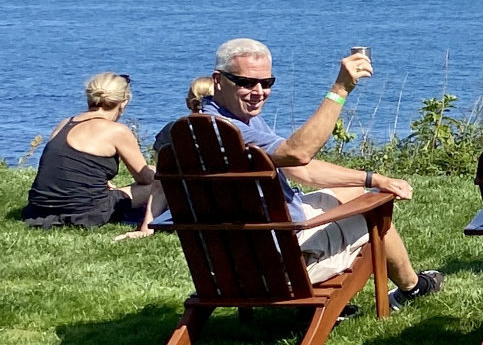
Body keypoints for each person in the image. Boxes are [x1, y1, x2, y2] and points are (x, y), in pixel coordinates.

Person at [191, 38, 442, 307]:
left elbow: (302, 169)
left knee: (355, 192)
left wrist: (373, 179)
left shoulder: (206, 126)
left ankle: (408, 284)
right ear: (218, 80)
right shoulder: (229, 132)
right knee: (374, 211)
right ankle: (412, 289)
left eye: (267, 83)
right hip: (280, 260)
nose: (258, 91)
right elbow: (298, 154)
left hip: (230, 257)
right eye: (246, 83)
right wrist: (341, 88)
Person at [22, 73, 159, 236]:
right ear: (123, 103)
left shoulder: (64, 123)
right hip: (85, 211)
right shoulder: (117, 131)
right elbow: (145, 179)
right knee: (161, 181)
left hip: (39, 209)